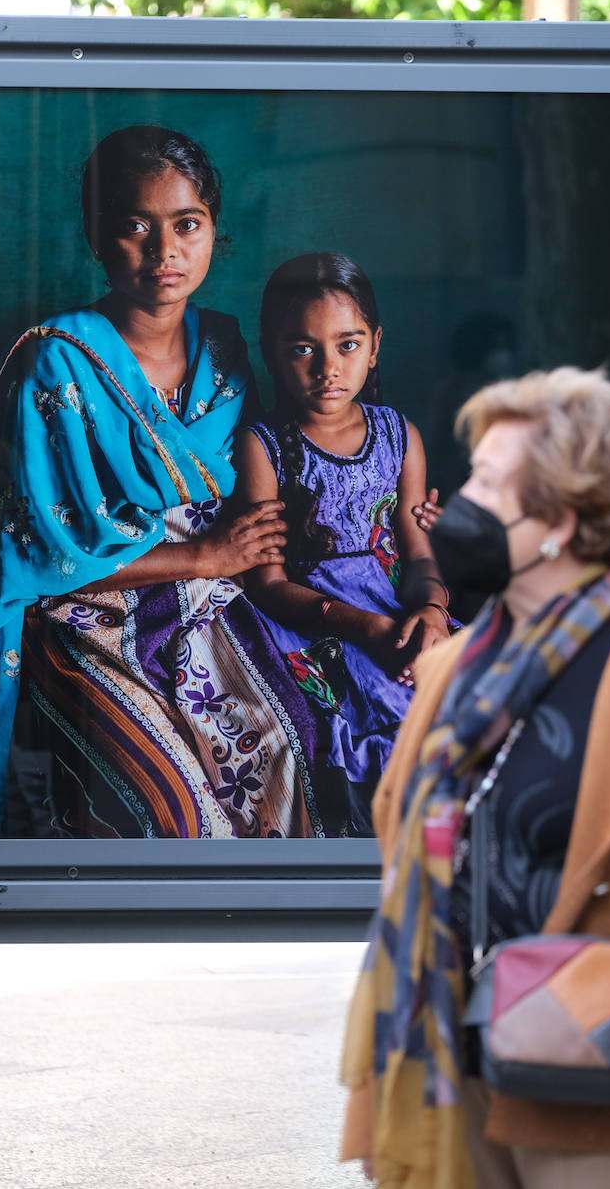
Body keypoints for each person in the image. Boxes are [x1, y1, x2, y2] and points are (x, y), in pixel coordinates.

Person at [341, 366, 610, 1189]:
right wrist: (375, 1096)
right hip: (447, 1073)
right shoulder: (454, 665)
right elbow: (406, 882)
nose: (460, 501)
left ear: (560, 519)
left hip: (604, 1080)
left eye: (487, 482)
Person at [0, 124, 337, 840]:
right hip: (86, 619)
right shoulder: (55, 362)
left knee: (307, 756)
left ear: (213, 232)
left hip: (213, 605)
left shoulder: (227, 347)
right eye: (135, 225)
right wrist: (204, 556)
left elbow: (264, 483)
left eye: (187, 224)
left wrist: (385, 511)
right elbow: (44, 564)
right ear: (95, 235)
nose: (164, 251)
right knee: (174, 814)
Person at [235, 252, 452, 834]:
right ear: (271, 351)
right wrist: (363, 627)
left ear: (375, 345)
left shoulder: (398, 435)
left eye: (348, 344)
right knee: (379, 705)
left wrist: (430, 611)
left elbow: (419, 555)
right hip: (314, 617)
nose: (327, 367)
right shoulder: (263, 446)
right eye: (302, 348)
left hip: (394, 606)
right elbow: (269, 584)